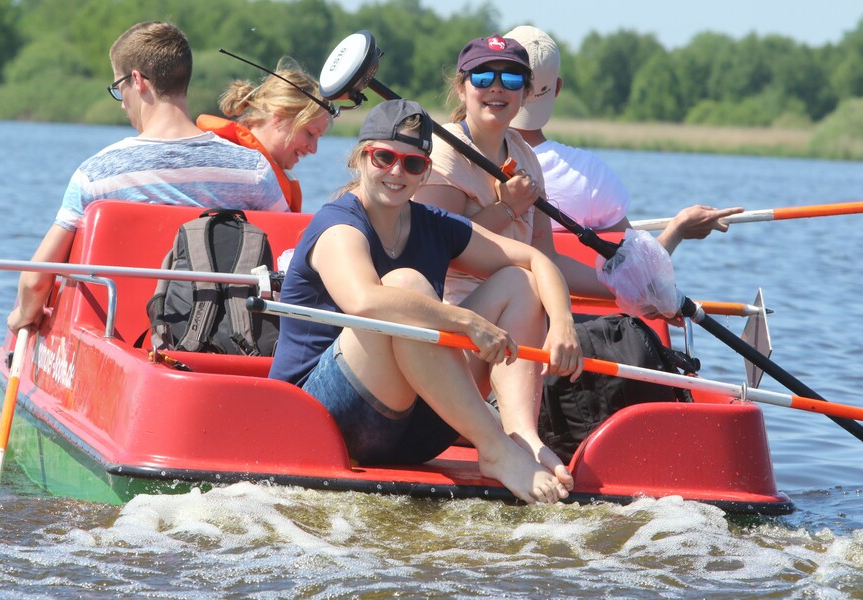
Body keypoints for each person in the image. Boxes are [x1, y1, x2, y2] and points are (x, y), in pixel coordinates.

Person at [269, 99, 584, 504]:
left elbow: (537, 259)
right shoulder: (338, 225)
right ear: (361, 158)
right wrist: (464, 322)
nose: (397, 172)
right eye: (384, 157)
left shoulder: (434, 225)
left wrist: (562, 324)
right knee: (405, 285)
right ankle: (495, 450)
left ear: (426, 172)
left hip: (416, 429)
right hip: (322, 422)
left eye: (412, 164)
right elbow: (363, 301)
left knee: (519, 282)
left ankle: (520, 438)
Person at [7, 21, 288, 332]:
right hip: (223, 338)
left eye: (119, 88)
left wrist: (20, 317)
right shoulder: (253, 169)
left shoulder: (96, 174)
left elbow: (35, 283)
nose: (122, 102)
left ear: (137, 80)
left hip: (120, 337)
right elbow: (290, 259)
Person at [504, 25, 743, 255]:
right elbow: (637, 272)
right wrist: (677, 229)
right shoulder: (590, 175)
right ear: (556, 88)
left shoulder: (470, 159)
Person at [414, 33, 611, 305]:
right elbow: (439, 250)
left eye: (511, 79)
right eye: (482, 77)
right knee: (524, 281)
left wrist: (627, 292)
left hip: (517, 309)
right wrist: (506, 209)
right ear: (461, 88)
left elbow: (550, 259)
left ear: (526, 93)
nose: (497, 87)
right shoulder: (445, 150)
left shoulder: (525, 156)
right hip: (454, 312)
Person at [197, 57, 333, 212]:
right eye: (310, 133)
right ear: (279, 117)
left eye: (318, 138)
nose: (314, 149)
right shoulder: (252, 174)